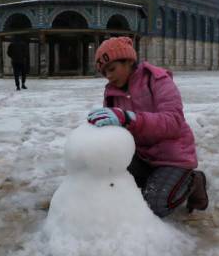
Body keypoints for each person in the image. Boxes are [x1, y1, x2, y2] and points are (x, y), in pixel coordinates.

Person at [87, 36, 208, 217]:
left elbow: (173, 122)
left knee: (153, 206)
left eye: (112, 69)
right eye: (104, 73)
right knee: (107, 181)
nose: (109, 76)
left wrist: (129, 118)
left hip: (172, 157)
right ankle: (153, 180)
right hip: (142, 157)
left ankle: (194, 181)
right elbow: (115, 130)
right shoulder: (112, 93)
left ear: (128, 61)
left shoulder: (157, 79)